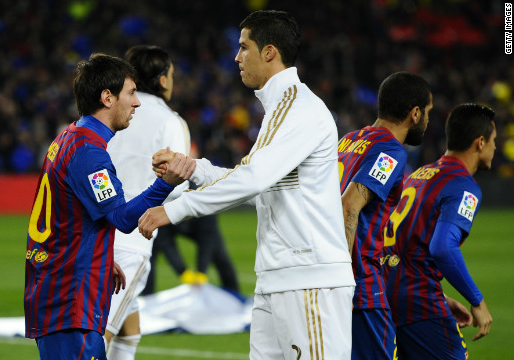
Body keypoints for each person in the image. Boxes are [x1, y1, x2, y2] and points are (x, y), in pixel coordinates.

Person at [139, 10, 355, 360]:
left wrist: (174, 209)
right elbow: (254, 179)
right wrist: (193, 168)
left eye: (244, 48)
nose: (236, 57)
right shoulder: (279, 110)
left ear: (269, 52)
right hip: (278, 279)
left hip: (308, 281)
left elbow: (251, 180)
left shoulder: (296, 106)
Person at [23, 53, 195, 360]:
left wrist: (99, 257)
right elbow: (121, 218)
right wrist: (165, 183)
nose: (137, 102)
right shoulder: (89, 152)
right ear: (107, 97)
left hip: (58, 285)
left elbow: (71, 212)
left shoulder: (69, 137)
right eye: (130, 93)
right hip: (70, 297)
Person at [384, 103, 495, 359]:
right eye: (494, 141)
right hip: (419, 301)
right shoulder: (464, 186)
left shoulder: (419, 175)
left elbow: (402, 245)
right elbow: (443, 247)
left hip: (387, 295)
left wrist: (442, 297)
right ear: (479, 142)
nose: (495, 147)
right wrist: (476, 300)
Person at [104, 45, 192, 359]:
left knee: (129, 331)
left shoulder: (111, 111)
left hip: (98, 228)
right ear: (164, 79)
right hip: (130, 242)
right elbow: (177, 185)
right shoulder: (170, 121)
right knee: (100, 334)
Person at [337, 71, 432, 359]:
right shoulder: (390, 151)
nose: (427, 120)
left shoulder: (348, 141)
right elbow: (349, 205)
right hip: (361, 287)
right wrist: (342, 278)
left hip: (335, 281)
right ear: (414, 113)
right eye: (427, 112)